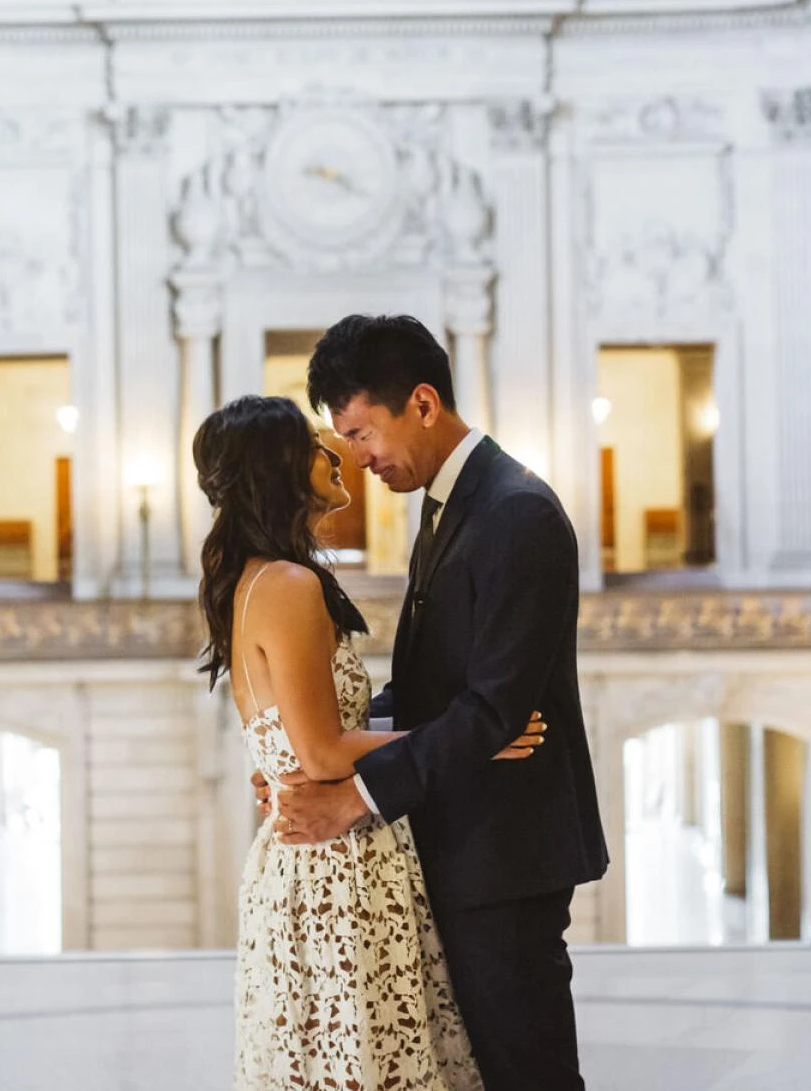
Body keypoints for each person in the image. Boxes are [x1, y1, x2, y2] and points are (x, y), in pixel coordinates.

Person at [270, 314, 610, 1091]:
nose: (357, 458)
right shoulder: (446, 503)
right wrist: (314, 752)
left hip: (506, 853)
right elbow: (431, 687)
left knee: (530, 1075)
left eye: (362, 433)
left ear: (422, 402)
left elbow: (494, 710)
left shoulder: (516, 510)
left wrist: (353, 797)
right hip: (462, 841)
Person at [199, 394, 543, 1089]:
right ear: (276, 466)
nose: (336, 454)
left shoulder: (264, 579)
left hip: (315, 859)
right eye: (315, 444)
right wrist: (470, 738)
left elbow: (311, 740)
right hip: (338, 869)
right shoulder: (288, 584)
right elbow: (324, 753)